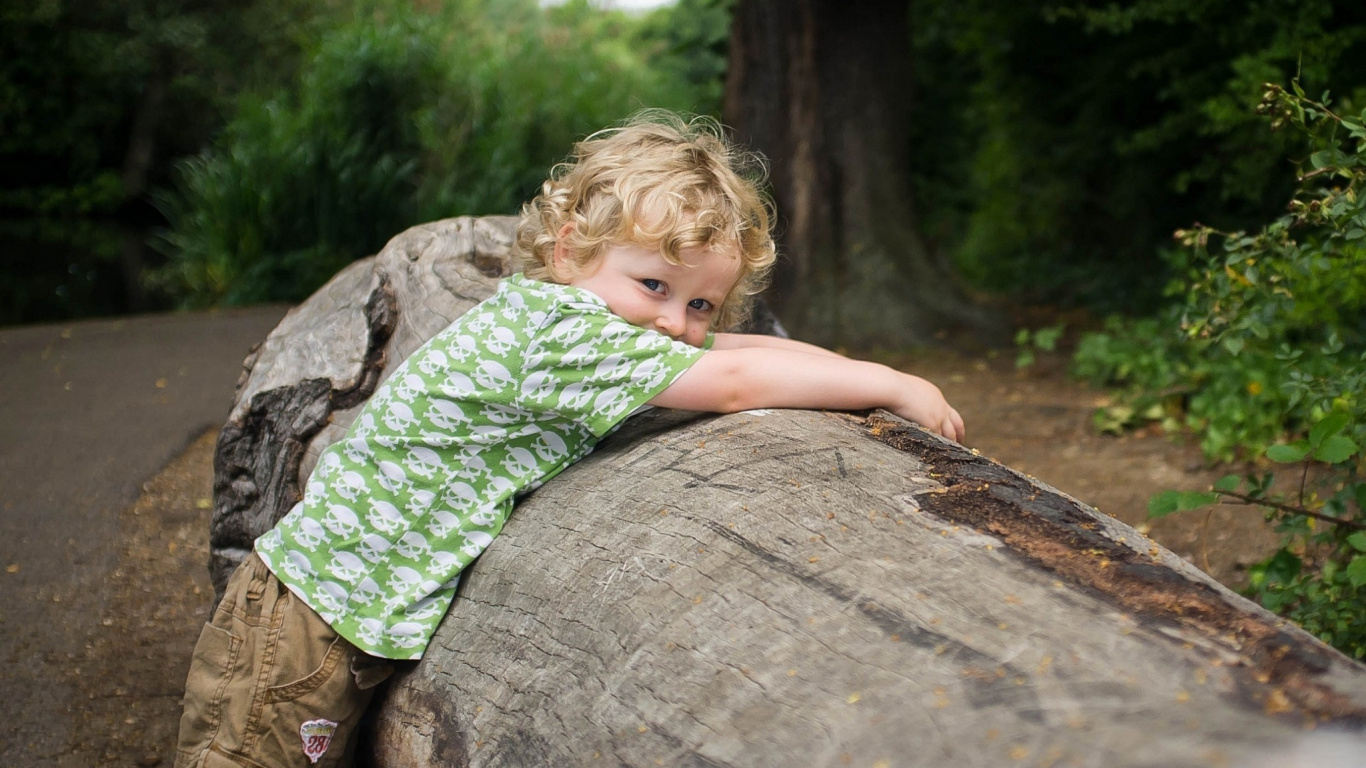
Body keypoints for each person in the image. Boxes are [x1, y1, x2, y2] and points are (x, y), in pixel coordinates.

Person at [173, 111, 964, 768]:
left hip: (342, 612)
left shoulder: (581, 323)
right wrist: (893, 387)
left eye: (699, 304)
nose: (673, 322)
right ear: (568, 253)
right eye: (654, 285)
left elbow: (731, 353)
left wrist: (866, 368)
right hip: (305, 622)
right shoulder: (558, 333)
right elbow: (732, 382)